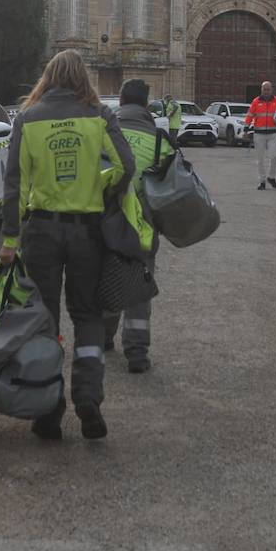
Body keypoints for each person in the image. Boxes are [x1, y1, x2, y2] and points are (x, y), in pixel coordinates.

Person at [0, 50, 135, 441]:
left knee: (45, 319)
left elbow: (14, 185)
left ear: (49, 76)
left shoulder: (27, 118)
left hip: (41, 230)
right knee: (87, 314)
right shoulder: (99, 115)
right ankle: (89, 397)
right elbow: (126, 165)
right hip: (87, 231)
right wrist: (103, 188)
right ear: (82, 78)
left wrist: (10, 239)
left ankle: (48, 408)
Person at [103, 79, 171, 374]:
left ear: (120, 100)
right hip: (143, 226)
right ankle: (137, 353)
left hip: (105, 223)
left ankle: (104, 338)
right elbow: (172, 188)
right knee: (139, 287)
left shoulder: (102, 132)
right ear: (146, 105)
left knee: (105, 279)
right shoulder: (160, 140)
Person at [245, 81, 276, 190]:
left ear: (271, 90)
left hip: (272, 133)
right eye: (264, 89)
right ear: (261, 90)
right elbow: (250, 115)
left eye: (268, 89)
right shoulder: (256, 101)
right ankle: (262, 181)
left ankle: (271, 177)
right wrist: (246, 127)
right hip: (259, 134)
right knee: (260, 159)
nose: (266, 91)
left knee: (275, 156)